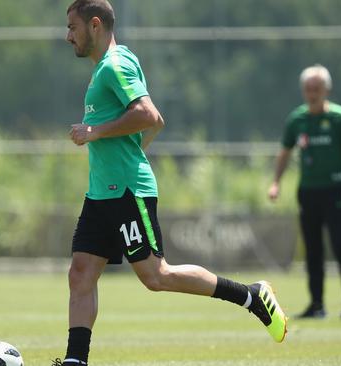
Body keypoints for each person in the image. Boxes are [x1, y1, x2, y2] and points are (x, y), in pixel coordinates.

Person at [54, 1, 287, 365]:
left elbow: (147, 114)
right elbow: (157, 122)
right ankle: (75, 360)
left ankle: (250, 296)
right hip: (100, 193)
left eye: (72, 27)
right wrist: (128, 150)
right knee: (81, 273)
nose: (68, 36)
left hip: (127, 193)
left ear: (94, 25)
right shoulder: (105, 67)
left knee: (156, 276)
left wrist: (96, 133)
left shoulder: (115, 65)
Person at [268, 64, 341, 321]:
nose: (312, 93)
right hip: (308, 192)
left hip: (336, 191)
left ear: (326, 90)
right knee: (312, 250)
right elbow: (285, 152)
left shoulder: (340, 118)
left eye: (317, 88)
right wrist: (276, 182)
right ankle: (317, 305)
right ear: (303, 90)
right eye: (308, 88)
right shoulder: (297, 120)